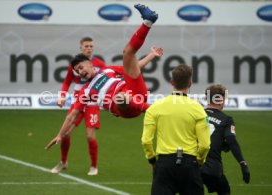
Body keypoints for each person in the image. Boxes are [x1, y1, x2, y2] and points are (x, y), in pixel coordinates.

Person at [45, 3, 160, 151]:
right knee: (120, 97)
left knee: (127, 53)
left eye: (80, 68)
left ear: (90, 64)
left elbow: (133, 68)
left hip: (137, 92)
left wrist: (151, 55)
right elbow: (71, 116)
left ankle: (148, 21)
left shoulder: (107, 70)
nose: (79, 72)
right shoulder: (85, 92)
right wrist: (60, 135)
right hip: (126, 108)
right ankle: (156, 111)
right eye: (77, 71)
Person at [141, 64, 211, 195]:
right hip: (190, 164)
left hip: (164, 165)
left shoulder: (155, 107)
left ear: (171, 82)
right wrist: (199, 161)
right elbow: (205, 145)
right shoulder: (199, 109)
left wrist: (152, 161)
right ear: (190, 84)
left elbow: (146, 141)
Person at [51, 37, 106, 175]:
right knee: (66, 134)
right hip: (78, 101)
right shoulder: (74, 66)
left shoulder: (99, 64)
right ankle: (63, 162)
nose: (89, 48)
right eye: (86, 46)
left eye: (91, 46)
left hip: (92, 102)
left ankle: (94, 166)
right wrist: (62, 95)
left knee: (89, 136)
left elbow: (107, 80)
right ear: (81, 48)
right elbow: (66, 83)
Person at [200, 84, 250, 195]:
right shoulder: (226, 120)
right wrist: (243, 163)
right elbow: (231, 140)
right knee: (224, 190)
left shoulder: (197, 114)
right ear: (220, 100)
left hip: (191, 166)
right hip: (212, 167)